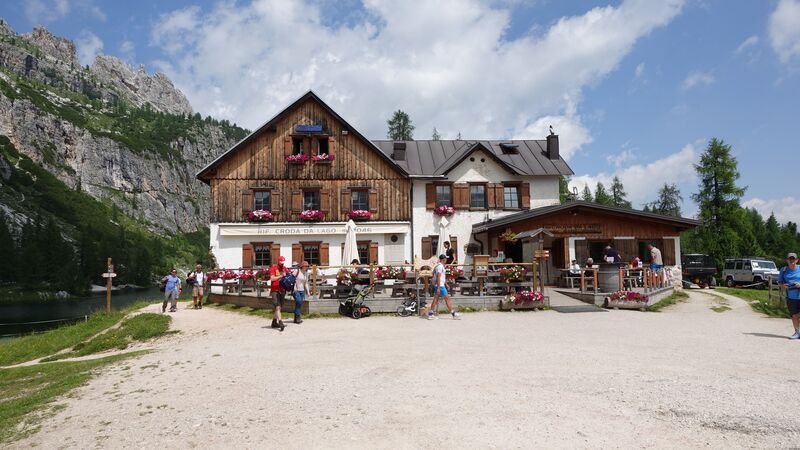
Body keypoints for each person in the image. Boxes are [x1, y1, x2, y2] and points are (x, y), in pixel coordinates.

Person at [427, 254, 460, 320]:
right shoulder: (440, 266)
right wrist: (439, 287)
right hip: (440, 286)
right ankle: (453, 314)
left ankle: (430, 314)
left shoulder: (439, 266)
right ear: (443, 259)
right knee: (447, 298)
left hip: (440, 285)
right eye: (445, 258)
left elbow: (441, 277)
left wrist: (446, 284)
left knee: (435, 299)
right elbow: (438, 277)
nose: (446, 260)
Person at [778, 252, 800, 339]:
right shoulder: (783, 270)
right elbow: (779, 282)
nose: (792, 260)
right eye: (790, 259)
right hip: (791, 296)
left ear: (797, 260)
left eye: (793, 259)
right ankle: (797, 332)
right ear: (787, 260)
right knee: (794, 315)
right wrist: (783, 285)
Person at [268, 256, 289, 332]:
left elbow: (288, 276)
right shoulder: (274, 268)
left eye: (283, 263)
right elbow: (272, 278)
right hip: (275, 290)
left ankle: (274, 322)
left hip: (282, 290)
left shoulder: (285, 268)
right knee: (277, 307)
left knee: (279, 308)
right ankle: (280, 323)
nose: (282, 264)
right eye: (281, 262)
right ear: (278, 261)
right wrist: (280, 276)